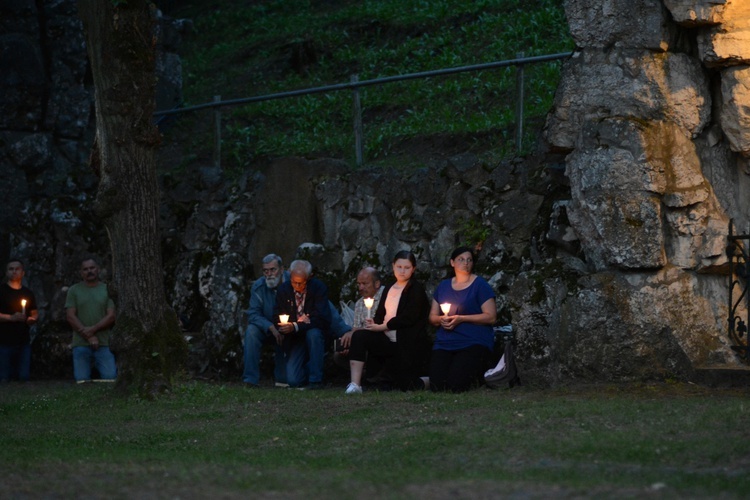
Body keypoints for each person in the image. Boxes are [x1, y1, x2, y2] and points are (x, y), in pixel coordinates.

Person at [345, 250, 430, 394]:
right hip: (385, 339)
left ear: (413, 269)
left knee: (407, 385)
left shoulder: (416, 289)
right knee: (359, 336)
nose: (402, 271)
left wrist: (383, 326)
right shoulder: (389, 288)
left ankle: (428, 380)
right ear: (393, 267)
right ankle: (355, 384)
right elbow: (381, 314)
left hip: (406, 342)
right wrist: (374, 323)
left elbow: (409, 317)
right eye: (399, 267)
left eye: (407, 267)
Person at [429, 246, 497, 393]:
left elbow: (491, 316)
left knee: (456, 385)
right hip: (446, 342)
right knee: (437, 387)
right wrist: (442, 319)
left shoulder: (480, 285)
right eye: (461, 259)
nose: (465, 263)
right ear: (452, 262)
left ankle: (478, 376)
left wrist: (461, 319)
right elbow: (432, 317)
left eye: (469, 260)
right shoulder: (443, 286)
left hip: (472, 341)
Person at [276, 259, 331, 389]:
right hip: (295, 338)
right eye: (293, 282)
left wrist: (296, 326)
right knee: (293, 380)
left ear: (309, 278)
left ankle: (315, 379)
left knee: (313, 334)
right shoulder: (284, 290)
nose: (296, 286)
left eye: (300, 283)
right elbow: (277, 313)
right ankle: (306, 370)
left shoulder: (318, 288)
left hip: (313, 333)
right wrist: (286, 326)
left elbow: (322, 318)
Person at [242, 253, 290, 388]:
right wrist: (270, 327)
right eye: (265, 271)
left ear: (281, 269)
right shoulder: (258, 287)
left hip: (288, 328)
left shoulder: (293, 281)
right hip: (267, 328)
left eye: (273, 270)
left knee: (285, 379)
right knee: (251, 331)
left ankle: (284, 376)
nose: (269, 274)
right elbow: (253, 314)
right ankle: (250, 379)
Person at [65, 257, 117, 383]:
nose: (89, 271)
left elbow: (111, 316)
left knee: (110, 379)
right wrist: (88, 336)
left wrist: (92, 330)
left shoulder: (107, 289)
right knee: (82, 381)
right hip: (81, 343)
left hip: (104, 343)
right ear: (81, 273)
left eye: (92, 268)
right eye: (85, 269)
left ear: (98, 269)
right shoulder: (74, 290)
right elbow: (70, 316)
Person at [334, 266, 384, 371]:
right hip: (363, 341)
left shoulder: (386, 297)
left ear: (377, 284)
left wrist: (355, 335)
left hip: (381, 338)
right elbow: (356, 328)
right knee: (339, 355)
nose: (360, 288)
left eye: (365, 284)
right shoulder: (360, 303)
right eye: (359, 284)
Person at [0, 259, 38, 382]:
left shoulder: (28, 293)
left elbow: (34, 312)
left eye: (17, 269)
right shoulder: (1, 291)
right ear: (6, 272)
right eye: (11, 269)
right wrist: (11, 318)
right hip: (3, 342)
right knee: (4, 378)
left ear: (23, 272)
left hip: (23, 341)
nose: (14, 271)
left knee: (23, 377)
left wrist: (32, 319)